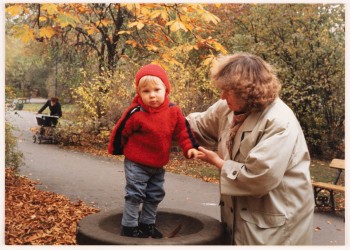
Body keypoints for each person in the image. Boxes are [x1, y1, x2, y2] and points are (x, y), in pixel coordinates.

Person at [187, 53, 314, 245]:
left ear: (247, 92)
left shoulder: (279, 121)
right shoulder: (228, 108)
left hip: (275, 224)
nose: (222, 96)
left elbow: (260, 177)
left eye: (227, 91)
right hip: (242, 219)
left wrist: (218, 162)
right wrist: (161, 119)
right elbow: (196, 126)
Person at [108, 64, 203, 238]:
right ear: (139, 93)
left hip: (158, 164)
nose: (152, 95)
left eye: (156, 90)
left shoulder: (174, 111)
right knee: (135, 194)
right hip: (136, 163)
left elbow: (183, 131)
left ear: (166, 89)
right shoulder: (136, 112)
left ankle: (147, 224)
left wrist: (190, 148)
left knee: (155, 194)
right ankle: (129, 226)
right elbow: (121, 130)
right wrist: (116, 148)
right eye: (145, 91)